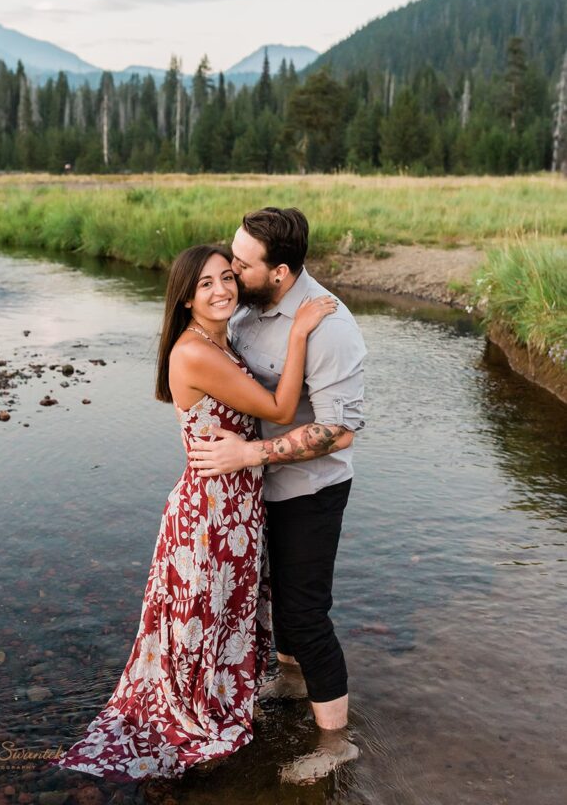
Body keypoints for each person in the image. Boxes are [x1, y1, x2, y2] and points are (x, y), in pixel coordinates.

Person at [51, 243, 337, 781]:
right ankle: (198, 711)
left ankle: (225, 699)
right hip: (210, 515)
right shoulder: (195, 352)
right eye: (206, 284)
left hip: (236, 508)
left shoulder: (221, 341)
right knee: (199, 619)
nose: (222, 290)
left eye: (228, 278)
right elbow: (277, 409)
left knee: (223, 615)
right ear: (185, 298)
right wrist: (298, 332)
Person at [189, 207, 366, 783]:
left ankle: (336, 742)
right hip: (250, 493)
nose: (231, 271)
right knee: (272, 595)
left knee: (306, 612)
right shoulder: (247, 304)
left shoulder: (330, 326)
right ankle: (290, 680)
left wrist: (250, 453)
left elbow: (339, 430)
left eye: (241, 264)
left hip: (309, 492)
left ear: (281, 271)